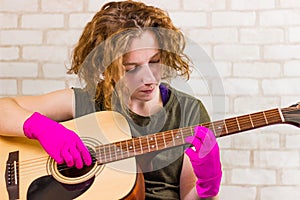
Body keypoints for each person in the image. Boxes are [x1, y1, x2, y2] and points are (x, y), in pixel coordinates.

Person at [0, 1, 222, 199]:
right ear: (106, 68)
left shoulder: (188, 110)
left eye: (154, 61)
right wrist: (43, 128)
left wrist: (207, 188)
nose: (149, 78)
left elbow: (189, 194)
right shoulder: (85, 102)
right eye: (132, 68)